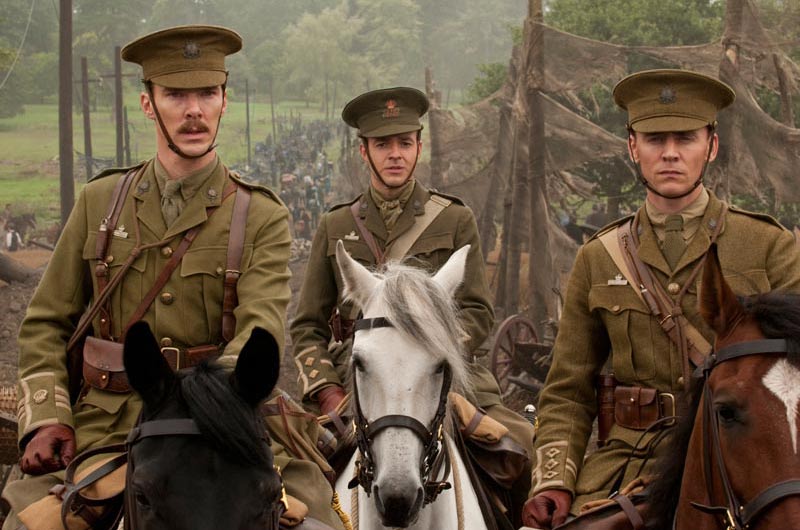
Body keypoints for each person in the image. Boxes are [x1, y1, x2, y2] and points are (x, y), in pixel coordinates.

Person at [3, 25, 343, 530]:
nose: (194, 110)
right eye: (176, 95)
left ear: (224, 101)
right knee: (31, 522)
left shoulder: (260, 215)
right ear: (147, 104)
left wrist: (217, 404)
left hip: (228, 424)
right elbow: (45, 323)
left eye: (207, 93)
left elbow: (261, 326)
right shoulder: (100, 202)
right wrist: (49, 417)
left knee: (320, 521)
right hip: (107, 422)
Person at [522, 69, 800, 528]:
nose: (670, 153)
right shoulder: (598, 257)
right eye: (654, 139)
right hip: (626, 469)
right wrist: (553, 480)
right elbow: (568, 391)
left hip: (745, 461)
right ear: (633, 147)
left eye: (685, 138)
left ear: (711, 146)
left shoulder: (767, 245)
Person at [290, 86, 536, 521]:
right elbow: (307, 325)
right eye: (383, 145)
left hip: (444, 379)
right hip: (358, 380)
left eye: (405, 143)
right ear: (364, 151)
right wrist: (328, 391)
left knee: (519, 449)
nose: (395, 154)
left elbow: (478, 310)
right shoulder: (336, 225)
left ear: (418, 147)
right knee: (292, 477)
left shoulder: (454, 219)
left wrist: (431, 350)